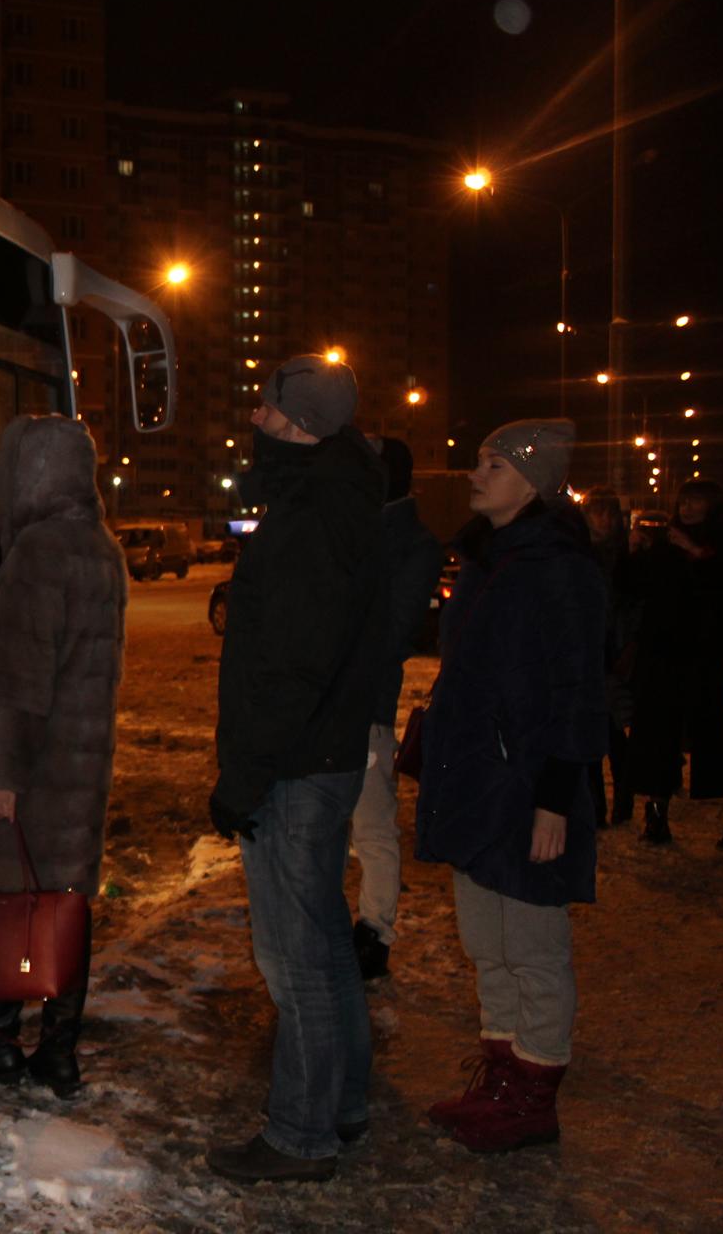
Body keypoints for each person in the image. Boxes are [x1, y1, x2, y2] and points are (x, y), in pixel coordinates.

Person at [204, 355, 386, 1183]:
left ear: (298, 423)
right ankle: (340, 1103)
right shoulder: (331, 492)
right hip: (318, 750)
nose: (256, 416)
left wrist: (247, 777)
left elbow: (294, 663)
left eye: (268, 408)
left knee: (294, 958)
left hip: (296, 761)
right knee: (321, 943)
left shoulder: (315, 508)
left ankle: (301, 1134)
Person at [415, 419, 606, 1155]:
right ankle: (500, 1075)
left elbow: (578, 689)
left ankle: (534, 1095)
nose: (474, 474)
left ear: (532, 482)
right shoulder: (488, 561)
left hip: (526, 785)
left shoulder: (560, 567)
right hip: (477, 782)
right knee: (485, 941)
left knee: (533, 944)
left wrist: (556, 795)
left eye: (492, 464)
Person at [0, 416, 127, 1099]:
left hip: (35, 767)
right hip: (78, 768)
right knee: (63, 903)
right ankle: (59, 1050)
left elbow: (16, 680)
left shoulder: (38, 553)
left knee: (3, 897)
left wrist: (0, 776)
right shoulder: (100, 548)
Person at [349, 437, 443, 980]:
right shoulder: (354, 527)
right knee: (334, 827)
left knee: (373, 825)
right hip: (335, 704)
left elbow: (396, 630)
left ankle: (375, 932)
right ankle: (350, 928)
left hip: (365, 707)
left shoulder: (412, 542)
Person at [622, 479, 723, 842]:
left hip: (704, 657)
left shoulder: (722, 543)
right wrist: (635, 551)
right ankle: (656, 815)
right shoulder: (667, 545)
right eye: (683, 500)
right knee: (658, 737)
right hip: (663, 657)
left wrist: (698, 555)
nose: (686, 508)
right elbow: (635, 587)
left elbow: (718, 591)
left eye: (695, 501)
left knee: (711, 736)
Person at [581, 491, 636, 829]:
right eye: (595, 513)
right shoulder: (581, 554)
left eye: (606, 514)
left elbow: (632, 605)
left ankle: (622, 803)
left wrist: (628, 646)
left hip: (612, 652)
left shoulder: (625, 556)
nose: (601, 520)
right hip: (589, 652)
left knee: (615, 732)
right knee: (590, 734)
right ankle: (598, 806)